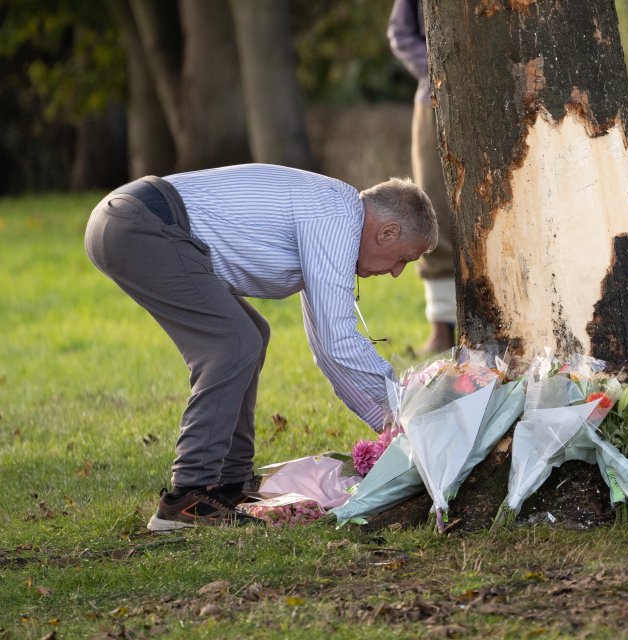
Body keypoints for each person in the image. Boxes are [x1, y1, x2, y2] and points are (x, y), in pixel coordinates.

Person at [84, 164, 438, 532]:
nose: (398, 272)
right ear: (388, 232)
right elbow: (338, 340)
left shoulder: (333, 215)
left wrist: (391, 425)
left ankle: (228, 484)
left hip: (131, 221)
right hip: (140, 223)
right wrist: (407, 414)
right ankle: (189, 496)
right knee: (234, 343)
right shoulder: (337, 215)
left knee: (251, 333)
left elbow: (325, 350)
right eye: (404, 258)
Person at [388, 0, 456, 354]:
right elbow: (400, 32)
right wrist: (435, 69)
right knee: (436, 213)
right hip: (433, 100)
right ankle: (442, 328)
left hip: (500, 100)